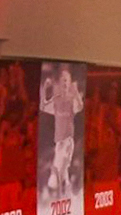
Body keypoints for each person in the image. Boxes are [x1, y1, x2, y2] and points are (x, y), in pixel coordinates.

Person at [41, 65, 82, 201]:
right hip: (58, 141)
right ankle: (66, 192)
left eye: (67, 80)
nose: (64, 82)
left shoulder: (71, 99)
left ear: (69, 83)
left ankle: (61, 186)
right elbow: (43, 107)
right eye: (62, 80)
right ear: (59, 82)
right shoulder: (56, 99)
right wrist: (44, 89)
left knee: (58, 168)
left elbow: (79, 107)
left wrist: (76, 93)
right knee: (61, 172)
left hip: (68, 141)